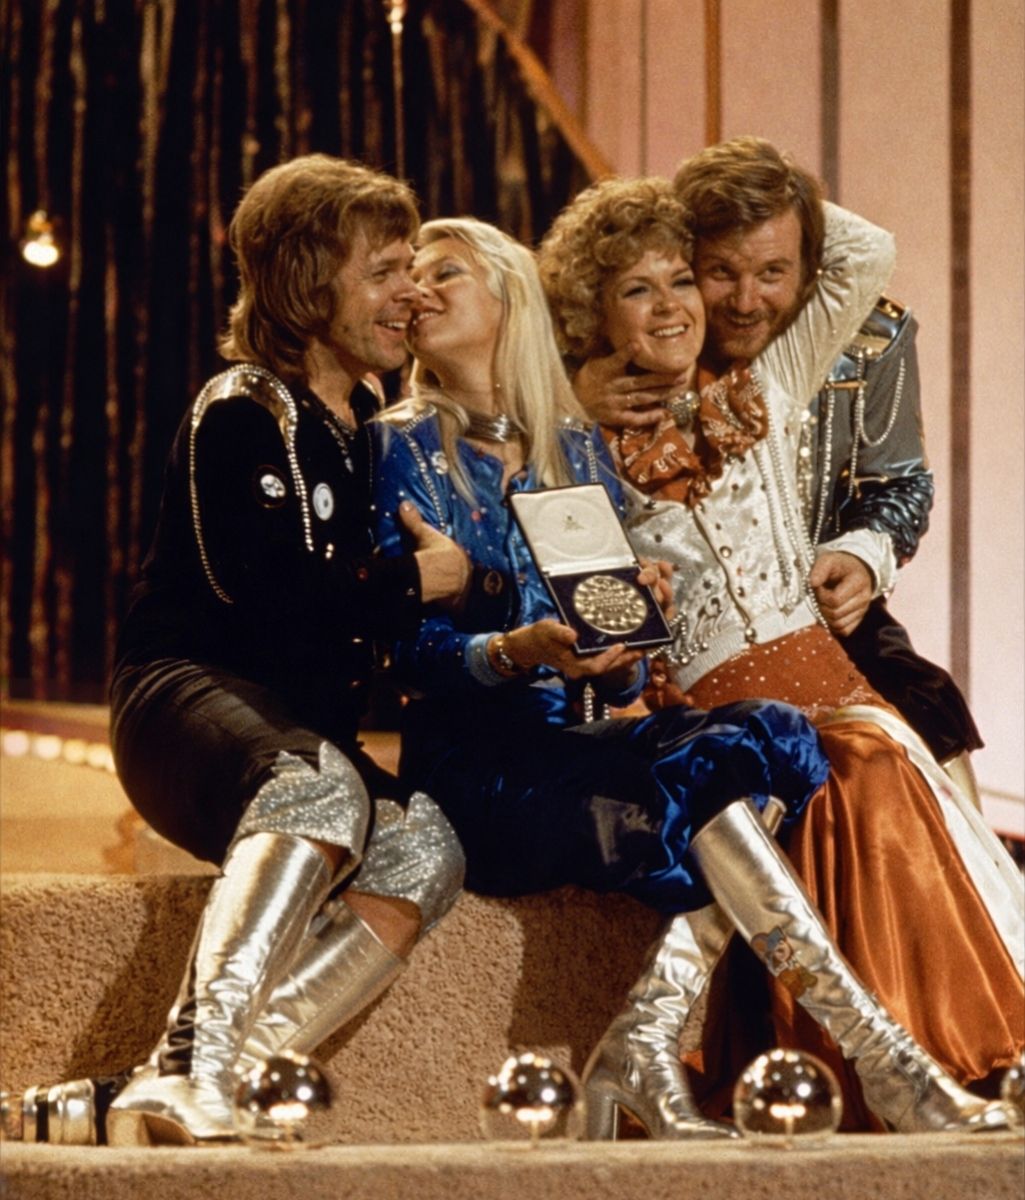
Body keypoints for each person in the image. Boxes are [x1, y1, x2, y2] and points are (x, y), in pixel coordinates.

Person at [372, 214, 1017, 1140]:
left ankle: (662, 1044)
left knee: (788, 742)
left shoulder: (570, 444)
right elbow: (406, 655)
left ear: (508, 298)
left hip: (585, 731)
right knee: (796, 755)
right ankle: (882, 1062)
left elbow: (611, 665)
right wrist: (521, 650)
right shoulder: (403, 444)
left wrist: (626, 633)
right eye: (637, 287)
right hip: (483, 757)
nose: (417, 290)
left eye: (445, 272)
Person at [5, 155, 477, 1147]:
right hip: (185, 699)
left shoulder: (370, 428)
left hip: (296, 729)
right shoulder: (242, 408)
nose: (413, 293)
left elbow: (425, 584)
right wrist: (414, 582)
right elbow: (262, 600)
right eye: (384, 271)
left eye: (413, 268)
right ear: (308, 283)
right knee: (318, 790)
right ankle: (197, 1068)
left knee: (425, 845)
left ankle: (168, 1086)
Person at [573, 136, 983, 800]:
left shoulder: (813, 359)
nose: (744, 301)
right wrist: (575, 394)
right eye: (715, 271)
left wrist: (863, 555)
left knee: (918, 718)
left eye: (772, 271)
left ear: (808, 267)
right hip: (679, 672)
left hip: (829, 613)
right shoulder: (597, 395)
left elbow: (901, 483)